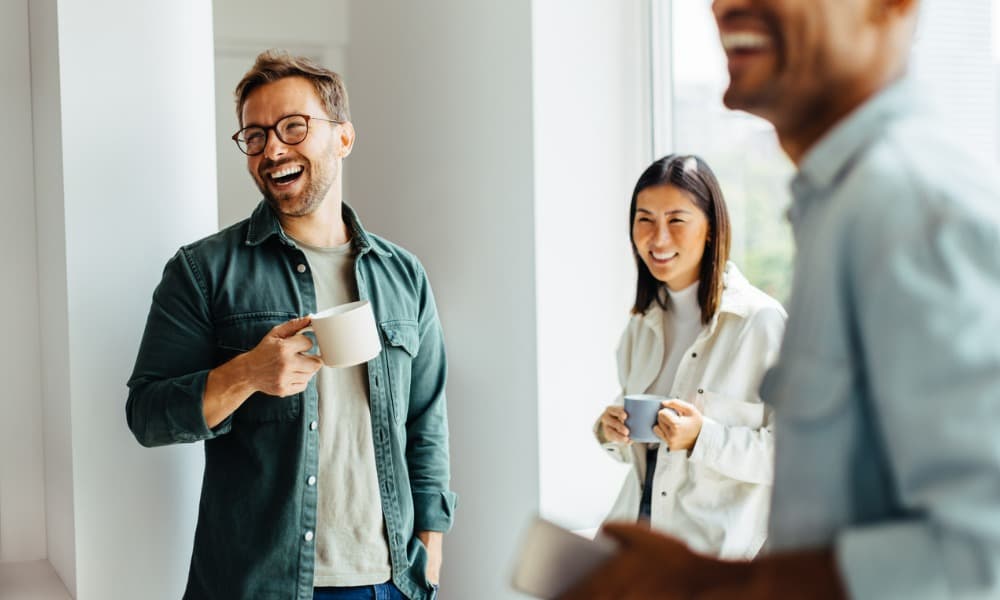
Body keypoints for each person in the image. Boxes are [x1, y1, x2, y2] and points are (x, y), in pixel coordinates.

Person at [560, 0, 1000, 598]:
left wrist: (709, 586)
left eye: (678, 220)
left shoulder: (913, 214)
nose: (724, 4)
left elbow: (981, 557)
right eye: (645, 220)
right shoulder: (841, 210)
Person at [126, 50, 455, 600]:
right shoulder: (203, 271)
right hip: (256, 585)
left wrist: (432, 548)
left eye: (293, 127)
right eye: (254, 136)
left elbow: (426, 420)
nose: (272, 148)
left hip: (390, 581)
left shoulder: (404, 275)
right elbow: (147, 416)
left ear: (343, 138)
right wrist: (247, 374)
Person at [595, 154, 785, 560]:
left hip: (714, 562)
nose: (658, 238)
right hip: (638, 547)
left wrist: (703, 437)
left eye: (676, 221)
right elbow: (648, 460)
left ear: (712, 230)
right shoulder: (640, 328)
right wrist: (611, 432)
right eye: (644, 219)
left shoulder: (760, 323)